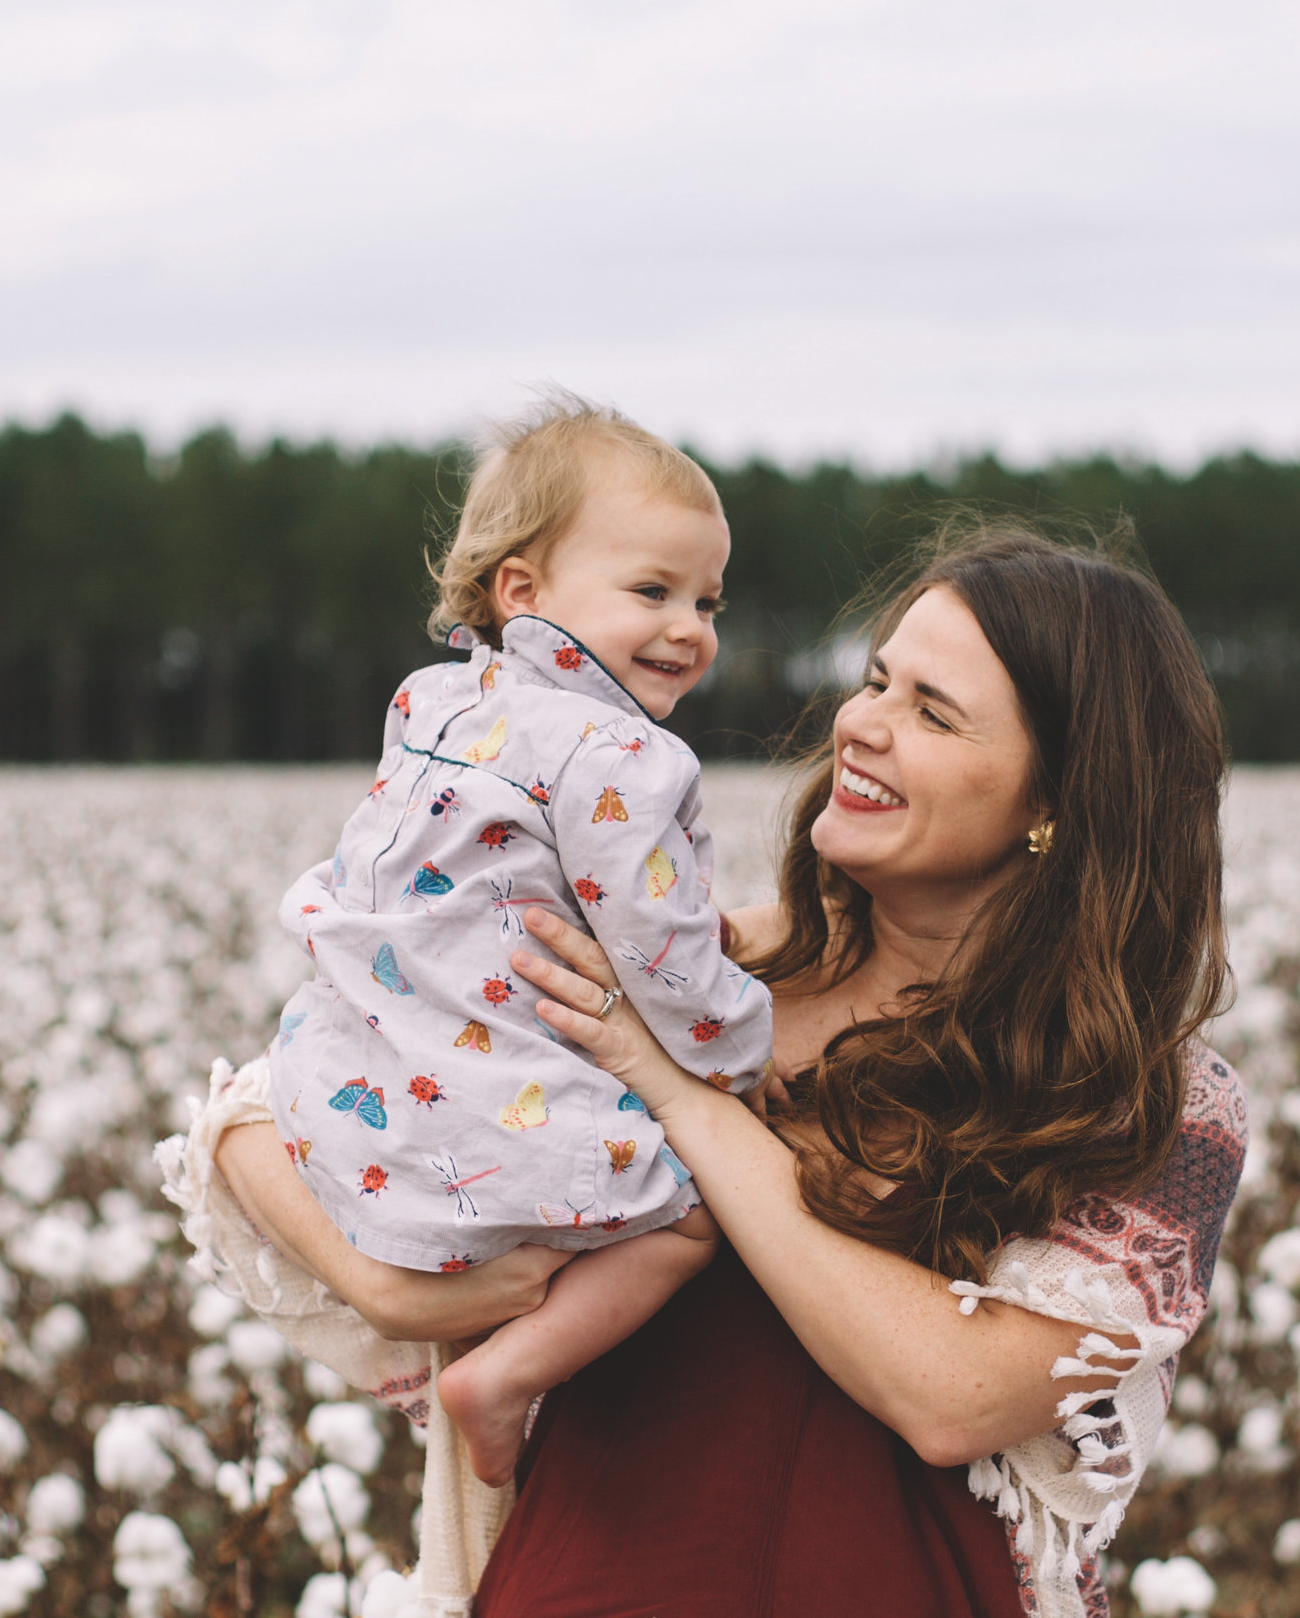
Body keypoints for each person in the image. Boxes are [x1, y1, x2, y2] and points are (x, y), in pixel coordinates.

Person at [474, 528, 1249, 1617]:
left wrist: (680, 1092)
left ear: (1057, 803)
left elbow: (952, 1392)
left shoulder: (1148, 1098)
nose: (859, 723)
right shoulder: (698, 969)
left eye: (932, 711)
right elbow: (303, 1113)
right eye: (876, 678)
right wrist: (377, 1279)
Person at [239, 393, 772, 1486]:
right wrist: (735, 1042)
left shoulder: (434, 697)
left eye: (708, 600)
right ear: (522, 590)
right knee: (690, 1210)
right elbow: (658, 952)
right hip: (499, 1104)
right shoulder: (621, 753)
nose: (689, 627)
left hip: (353, 1072)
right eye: (652, 591)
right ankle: (504, 1373)